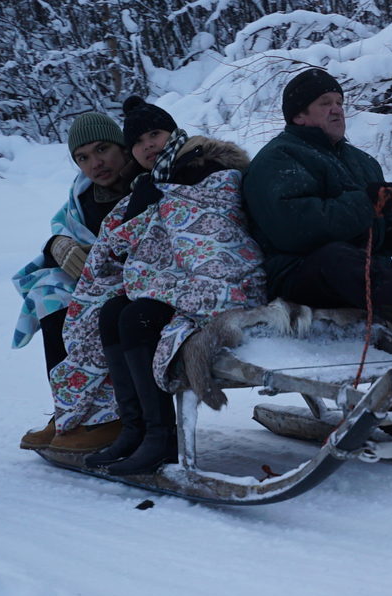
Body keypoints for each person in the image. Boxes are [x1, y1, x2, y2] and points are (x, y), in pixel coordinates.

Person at [52, 111, 269, 473]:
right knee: (110, 313)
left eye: (155, 134)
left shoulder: (205, 164)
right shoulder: (150, 181)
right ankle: (135, 429)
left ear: (174, 133)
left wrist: (165, 198)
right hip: (176, 282)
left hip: (226, 285)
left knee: (138, 318)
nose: (148, 144)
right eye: (138, 141)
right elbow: (130, 238)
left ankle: (161, 438)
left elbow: (216, 227)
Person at [243, 68, 392, 394]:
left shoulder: (363, 162)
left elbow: (383, 228)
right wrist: (364, 203)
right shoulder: (277, 159)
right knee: (337, 259)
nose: (336, 109)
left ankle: (384, 407)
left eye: (339, 102)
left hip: (359, 274)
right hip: (297, 275)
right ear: (299, 116)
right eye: (324, 103)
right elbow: (294, 229)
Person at [15, 111, 142, 450]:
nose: (94, 163)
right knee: (49, 291)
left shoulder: (143, 184)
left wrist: (103, 257)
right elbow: (62, 231)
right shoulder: (82, 195)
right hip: (97, 286)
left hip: (141, 287)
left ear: (123, 148)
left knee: (93, 310)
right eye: (82, 157)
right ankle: (68, 409)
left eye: (103, 149)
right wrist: (57, 245)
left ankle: (109, 417)